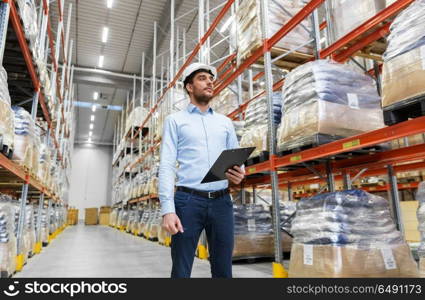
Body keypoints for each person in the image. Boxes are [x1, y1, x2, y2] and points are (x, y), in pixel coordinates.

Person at [158, 63, 245, 278]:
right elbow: (167, 165)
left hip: (222, 202)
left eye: (211, 79)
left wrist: (240, 174)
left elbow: (236, 160)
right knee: (181, 268)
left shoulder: (225, 123)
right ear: (189, 86)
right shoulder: (175, 121)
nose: (209, 82)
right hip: (188, 202)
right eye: (203, 78)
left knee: (223, 269)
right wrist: (168, 209)